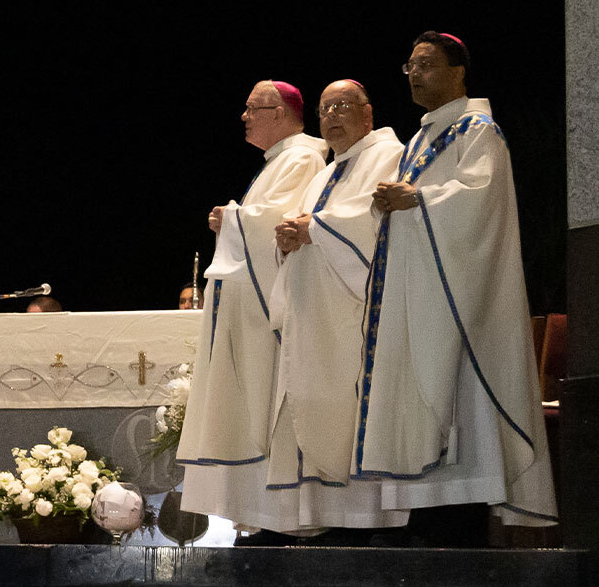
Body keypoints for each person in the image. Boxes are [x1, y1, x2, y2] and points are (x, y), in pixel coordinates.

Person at [359, 32, 557, 545]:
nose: (416, 74)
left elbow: (481, 201)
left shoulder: (478, 131)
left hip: (457, 307)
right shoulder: (419, 140)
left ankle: (458, 531)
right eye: (410, 66)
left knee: (458, 411)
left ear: (458, 72)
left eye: (427, 64)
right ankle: (424, 524)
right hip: (416, 299)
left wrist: (418, 200)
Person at [176, 80, 329, 543]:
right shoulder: (281, 160)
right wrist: (235, 220)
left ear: (279, 112)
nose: (244, 116)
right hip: (248, 306)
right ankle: (258, 511)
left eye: (251, 108)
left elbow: (279, 222)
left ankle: (279, 513)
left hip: (268, 311)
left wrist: (234, 218)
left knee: (266, 405)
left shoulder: (303, 156)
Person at [266, 80, 406, 540]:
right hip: (313, 313)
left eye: (342, 105)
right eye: (325, 108)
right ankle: (322, 520)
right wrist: (287, 239)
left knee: (350, 410)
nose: (331, 115)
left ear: (368, 113)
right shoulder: (327, 171)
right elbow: (310, 224)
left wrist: (315, 229)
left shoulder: (387, 154)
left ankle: (366, 524)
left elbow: (375, 221)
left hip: (354, 315)